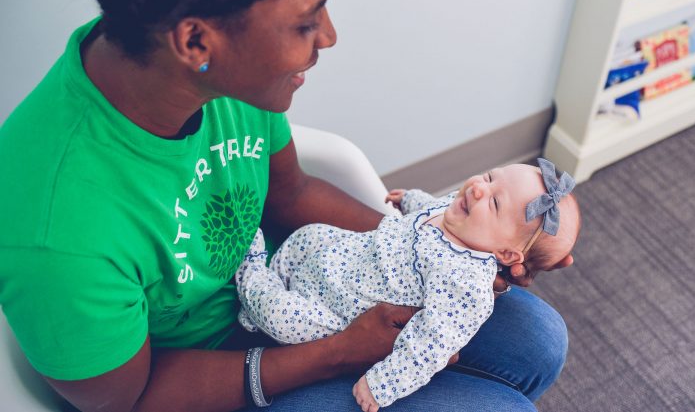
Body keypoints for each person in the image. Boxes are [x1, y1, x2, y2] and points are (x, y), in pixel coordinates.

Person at [0, 0, 574, 411]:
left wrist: (444, 252)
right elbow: (132, 399)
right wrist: (337, 354)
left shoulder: (210, 71)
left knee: (537, 337)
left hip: (302, 280)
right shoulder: (57, 235)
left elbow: (290, 194)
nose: (328, 36)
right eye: (306, 21)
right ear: (197, 42)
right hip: (204, 376)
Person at [236, 159, 580, 411]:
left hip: (340, 314)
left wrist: (381, 385)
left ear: (506, 253)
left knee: (285, 319)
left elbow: (429, 347)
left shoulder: (467, 284)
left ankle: (253, 279)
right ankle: (275, 277)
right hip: (344, 256)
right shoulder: (461, 212)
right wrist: (410, 200)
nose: (478, 188)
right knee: (309, 236)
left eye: (494, 202)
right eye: (490, 177)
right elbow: (431, 206)